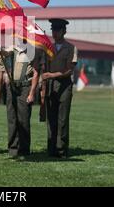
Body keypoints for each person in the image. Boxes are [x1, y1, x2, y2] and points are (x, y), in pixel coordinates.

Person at [41, 18, 78, 158]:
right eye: (53, 30)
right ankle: (51, 150)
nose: (54, 33)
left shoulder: (71, 48)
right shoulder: (48, 48)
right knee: (51, 120)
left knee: (62, 120)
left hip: (64, 87)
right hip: (51, 86)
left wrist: (52, 75)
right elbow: (44, 68)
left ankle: (62, 150)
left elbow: (69, 70)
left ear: (64, 31)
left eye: (57, 30)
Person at [2, 39, 42, 157]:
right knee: (12, 118)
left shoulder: (32, 51)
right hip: (12, 87)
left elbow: (35, 73)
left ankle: (24, 149)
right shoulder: (13, 48)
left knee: (24, 119)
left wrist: (32, 93)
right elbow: (5, 53)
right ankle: (13, 149)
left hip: (25, 87)